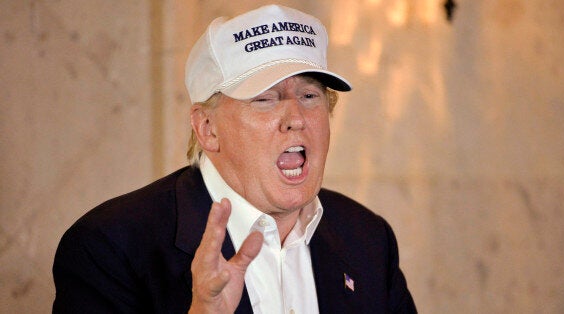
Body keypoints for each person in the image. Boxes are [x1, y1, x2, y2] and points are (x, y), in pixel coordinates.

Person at [52, 4, 417, 314]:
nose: (296, 118)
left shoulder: (368, 237)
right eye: (265, 99)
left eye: (309, 95)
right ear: (207, 128)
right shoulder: (109, 247)